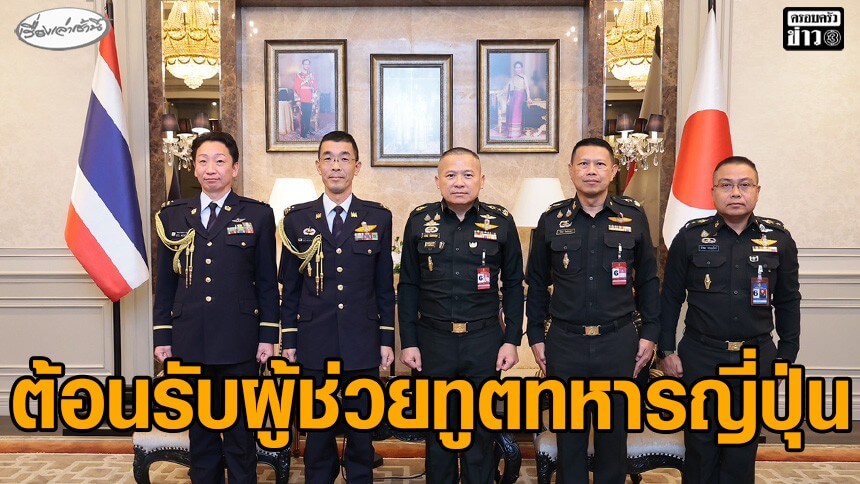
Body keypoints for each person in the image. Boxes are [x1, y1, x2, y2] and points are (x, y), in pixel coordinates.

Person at [658, 156, 801, 483]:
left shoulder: (779, 239)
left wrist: (786, 355)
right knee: (700, 447)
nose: (736, 192)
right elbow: (671, 298)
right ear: (713, 191)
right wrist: (666, 350)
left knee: (741, 448)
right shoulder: (690, 237)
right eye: (726, 185)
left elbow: (788, 301)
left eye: (744, 185)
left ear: (757, 191)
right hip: (700, 356)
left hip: (755, 358)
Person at [526, 137, 660, 484]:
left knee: (613, 436)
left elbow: (649, 280)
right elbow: (536, 283)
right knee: (569, 435)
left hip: (618, 341)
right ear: (571, 170)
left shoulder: (633, 217)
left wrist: (650, 335)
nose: (591, 171)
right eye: (583, 164)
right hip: (565, 342)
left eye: (600, 164)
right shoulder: (551, 219)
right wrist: (535, 336)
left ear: (613, 171)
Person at [153, 131, 278, 484]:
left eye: (220, 161)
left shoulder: (257, 215)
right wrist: (162, 335)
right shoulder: (173, 216)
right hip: (189, 337)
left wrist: (268, 335)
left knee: (240, 432)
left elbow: (267, 282)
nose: (211, 169)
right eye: (203, 161)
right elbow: (166, 283)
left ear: (234, 168)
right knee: (201, 431)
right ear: (194, 168)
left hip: (239, 339)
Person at [398, 147, 524, 483]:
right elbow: (408, 285)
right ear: (437, 180)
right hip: (432, 341)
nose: (459, 182)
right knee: (438, 429)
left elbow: (514, 284)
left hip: (483, 341)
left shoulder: (501, 221)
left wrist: (512, 340)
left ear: (482, 180)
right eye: (451, 175)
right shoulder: (419, 221)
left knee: (480, 431)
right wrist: (408, 341)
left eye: (468, 175)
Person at [279, 130, 395, 483]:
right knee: (318, 428)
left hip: (362, 338)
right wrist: (289, 339)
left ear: (357, 167)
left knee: (361, 426)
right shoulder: (297, 219)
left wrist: (386, 339)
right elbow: (290, 288)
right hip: (314, 339)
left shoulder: (378, 217)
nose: (336, 166)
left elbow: (383, 287)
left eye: (344, 158)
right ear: (318, 166)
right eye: (328, 158)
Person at [501, 61, 532, 138]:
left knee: (517, 112)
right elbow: (508, 87)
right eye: (516, 67)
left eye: (519, 67)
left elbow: (527, 88)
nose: (517, 69)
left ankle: (516, 133)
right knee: (512, 113)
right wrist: (502, 94)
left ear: (521, 68)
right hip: (513, 96)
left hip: (520, 96)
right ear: (514, 69)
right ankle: (511, 133)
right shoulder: (513, 77)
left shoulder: (524, 77)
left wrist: (528, 97)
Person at [294, 58, 318, 139]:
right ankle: (303, 133)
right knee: (303, 116)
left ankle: (307, 130)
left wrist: (314, 97)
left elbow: (315, 87)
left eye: (308, 64)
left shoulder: (312, 75)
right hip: (302, 99)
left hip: (310, 99)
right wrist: (297, 100)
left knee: (308, 116)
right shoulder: (298, 76)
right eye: (305, 64)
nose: (307, 65)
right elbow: (296, 88)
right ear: (302, 65)